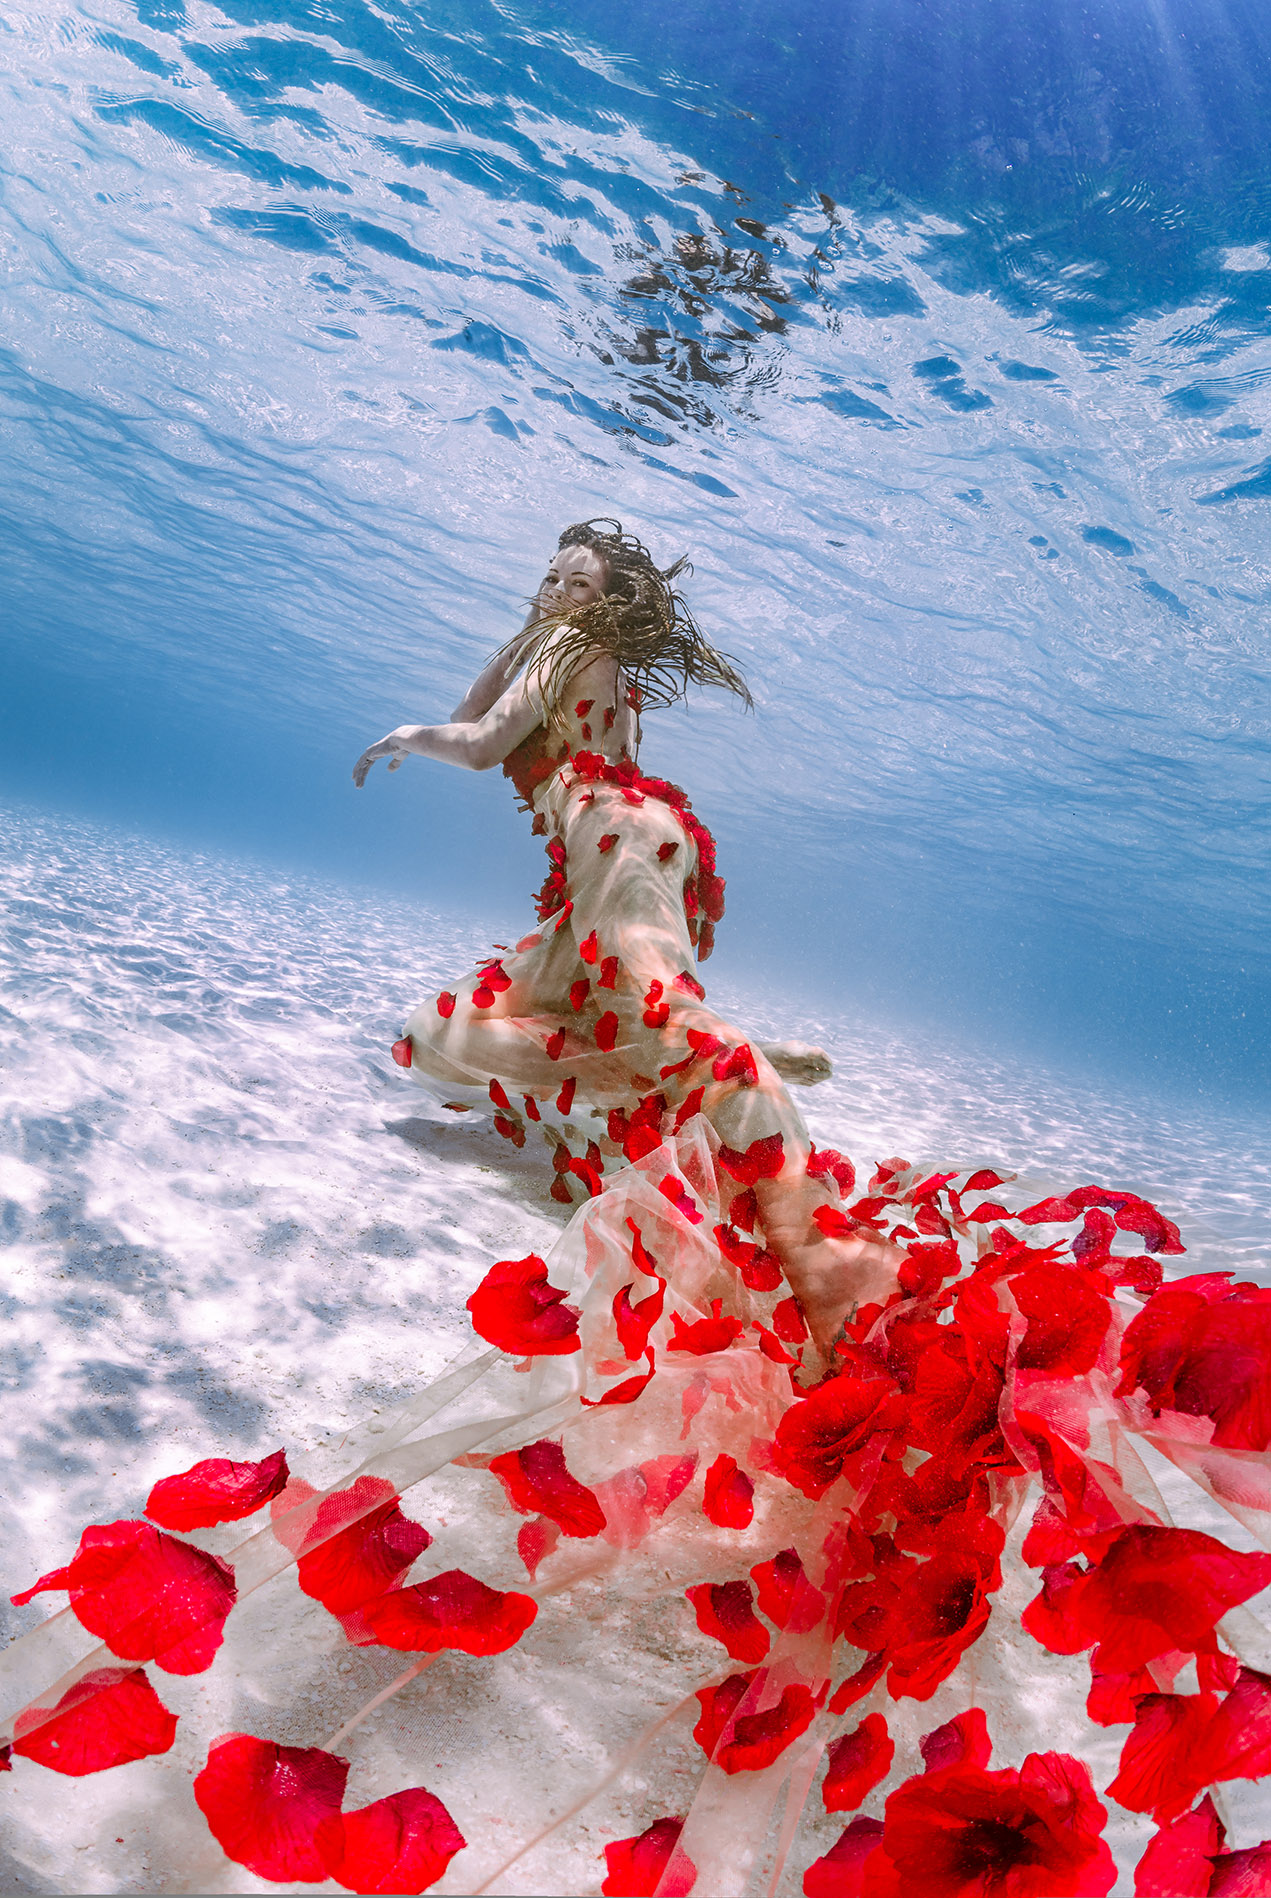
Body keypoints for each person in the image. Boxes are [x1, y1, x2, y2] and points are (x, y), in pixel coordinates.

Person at [353, 518, 903, 1369]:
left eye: (579, 586)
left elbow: (478, 744)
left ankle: (821, 1256)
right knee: (457, 1024)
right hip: (630, 842)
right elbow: (477, 709)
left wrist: (400, 734)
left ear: (605, 610)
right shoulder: (548, 642)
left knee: (657, 1016)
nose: (557, 596)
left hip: (618, 841)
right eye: (550, 575)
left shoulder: (570, 643)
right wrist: (506, 653)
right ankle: (724, 1049)